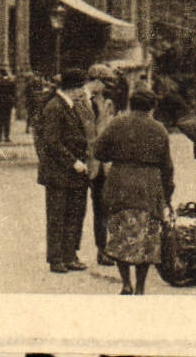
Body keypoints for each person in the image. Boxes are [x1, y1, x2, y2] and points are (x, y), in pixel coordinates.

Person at [93, 87, 173, 295]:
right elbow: (167, 167)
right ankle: (140, 287)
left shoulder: (117, 124)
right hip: (149, 185)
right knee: (146, 239)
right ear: (152, 107)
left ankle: (125, 283)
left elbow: (99, 151)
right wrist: (167, 195)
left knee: (120, 235)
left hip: (120, 183)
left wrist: (118, 155)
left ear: (131, 104)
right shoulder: (159, 129)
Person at [33, 69, 91, 273]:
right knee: (57, 216)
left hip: (73, 172)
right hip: (59, 172)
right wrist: (72, 161)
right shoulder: (55, 107)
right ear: (73, 89)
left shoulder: (69, 105)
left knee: (74, 214)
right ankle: (56, 258)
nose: (84, 91)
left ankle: (69, 255)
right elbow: (51, 142)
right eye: (81, 87)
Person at [75, 64, 118, 265]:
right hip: (82, 162)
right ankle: (70, 252)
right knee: (76, 209)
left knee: (102, 207)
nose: (107, 88)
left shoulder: (104, 102)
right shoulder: (77, 99)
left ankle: (103, 250)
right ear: (96, 80)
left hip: (101, 164)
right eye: (105, 84)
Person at [0, 68, 17, 143]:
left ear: (1, 74)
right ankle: (7, 137)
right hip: (8, 103)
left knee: (0, 120)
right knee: (7, 120)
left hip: (0, 103)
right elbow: (14, 93)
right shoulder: (11, 82)